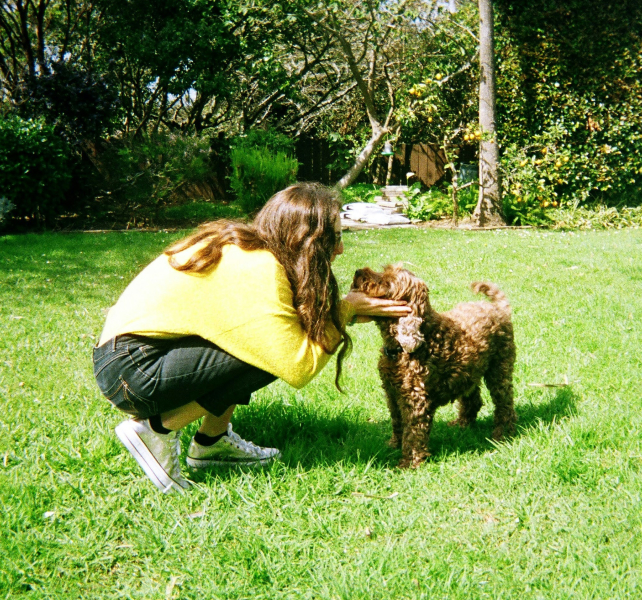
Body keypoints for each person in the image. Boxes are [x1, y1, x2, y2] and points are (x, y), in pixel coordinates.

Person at [92, 182, 411, 493]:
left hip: (125, 360)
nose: (340, 248)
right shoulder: (261, 269)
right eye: (335, 238)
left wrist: (340, 313)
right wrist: (344, 311)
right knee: (270, 354)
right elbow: (298, 366)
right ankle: (156, 430)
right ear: (308, 240)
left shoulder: (251, 250)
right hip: (133, 371)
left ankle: (212, 444)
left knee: (260, 342)